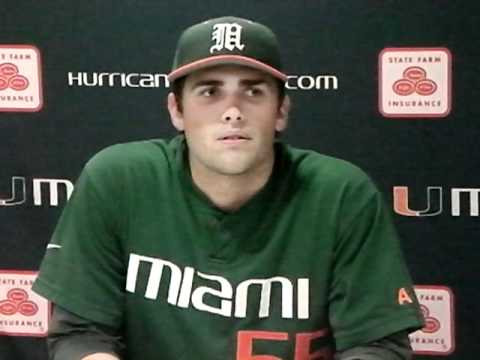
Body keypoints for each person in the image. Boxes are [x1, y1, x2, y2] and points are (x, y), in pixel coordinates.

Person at [33, 16, 424, 360]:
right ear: (176, 110)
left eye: (253, 91)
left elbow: (377, 345)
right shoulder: (117, 179)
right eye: (210, 91)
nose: (233, 110)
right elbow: (79, 333)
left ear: (281, 111)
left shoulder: (340, 194)